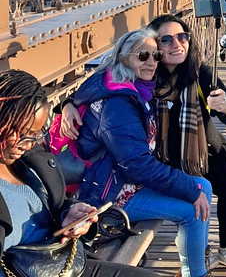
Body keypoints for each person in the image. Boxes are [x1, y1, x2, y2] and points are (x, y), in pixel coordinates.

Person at [61, 15, 226, 277]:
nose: (176, 44)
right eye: (165, 40)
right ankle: (196, 264)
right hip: (153, 162)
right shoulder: (141, 83)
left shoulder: (198, 74)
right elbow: (95, 91)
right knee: (193, 201)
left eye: (182, 37)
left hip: (195, 153)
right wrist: (67, 105)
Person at [73, 28, 213, 277]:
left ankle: (191, 265)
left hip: (123, 180)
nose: (151, 62)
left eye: (155, 56)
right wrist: (189, 190)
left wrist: (67, 103)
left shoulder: (123, 84)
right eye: (143, 56)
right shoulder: (117, 104)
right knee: (193, 211)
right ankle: (197, 273)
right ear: (124, 57)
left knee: (204, 186)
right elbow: (137, 164)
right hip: (108, 195)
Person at [0, 70, 156, 277]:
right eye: (21, 133)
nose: (28, 145)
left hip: (59, 261)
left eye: (35, 135)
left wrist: (68, 214)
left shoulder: (26, 160)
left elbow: (51, 205)